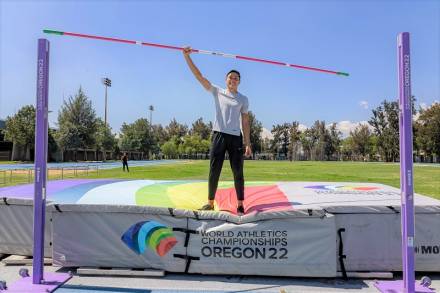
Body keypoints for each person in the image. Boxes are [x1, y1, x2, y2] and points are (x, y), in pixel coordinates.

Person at [183, 46, 252, 215]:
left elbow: (245, 121)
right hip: (218, 135)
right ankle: (210, 202)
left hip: (235, 138)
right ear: (226, 79)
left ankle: (240, 203)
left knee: (238, 172)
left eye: (236, 78)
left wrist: (247, 143)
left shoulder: (243, 99)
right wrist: (187, 57)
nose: (233, 80)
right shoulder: (217, 91)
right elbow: (199, 76)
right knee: (214, 170)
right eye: (231, 77)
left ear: (239, 81)